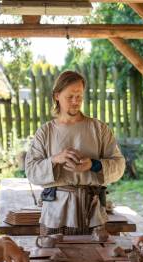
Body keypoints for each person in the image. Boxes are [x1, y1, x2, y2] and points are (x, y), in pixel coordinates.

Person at [25, 70, 125, 235]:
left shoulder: (99, 129)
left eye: (79, 96)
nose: (75, 101)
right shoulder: (45, 132)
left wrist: (94, 165)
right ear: (57, 95)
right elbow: (31, 171)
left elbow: (119, 165)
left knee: (95, 258)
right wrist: (55, 160)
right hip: (55, 213)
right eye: (70, 97)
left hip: (92, 213)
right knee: (52, 258)